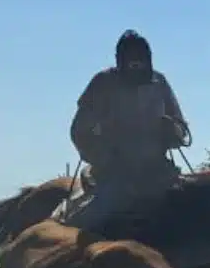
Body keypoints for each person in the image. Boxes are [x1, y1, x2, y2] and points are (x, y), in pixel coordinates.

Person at [53, 29, 191, 232]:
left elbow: (182, 129)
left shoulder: (159, 83)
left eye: (140, 56)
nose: (136, 62)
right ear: (120, 59)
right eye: (130, 56)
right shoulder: (103, 82)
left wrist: (172, 129)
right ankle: (61, 247)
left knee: (192, 215)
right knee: (91, 221)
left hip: (158, 170)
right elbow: (79, 130)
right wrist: (103, 156)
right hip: (114, 173)